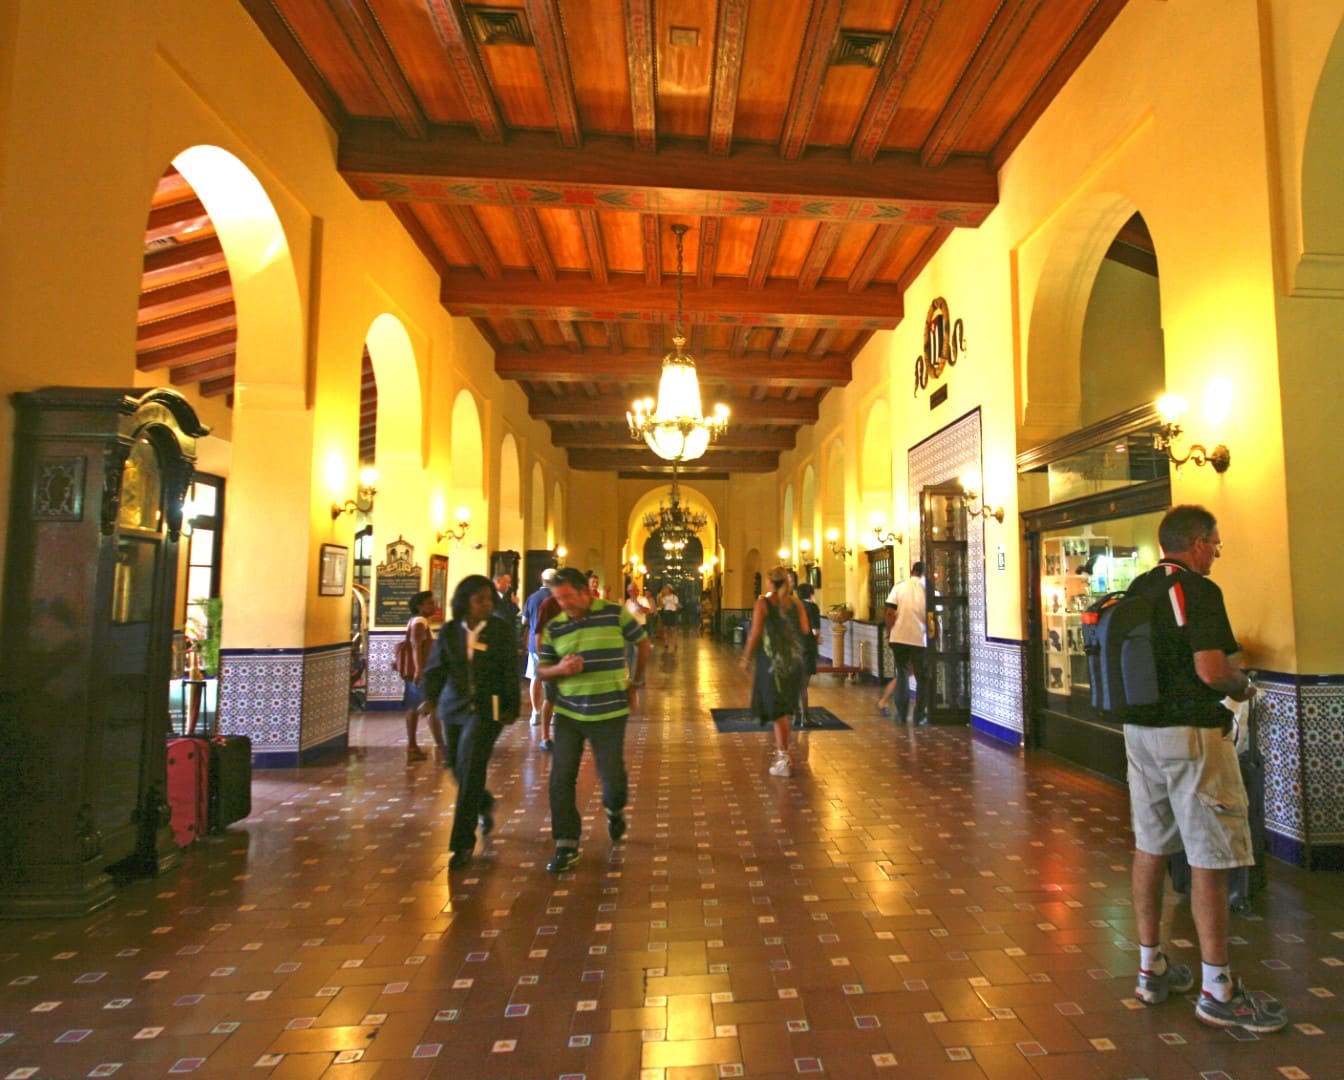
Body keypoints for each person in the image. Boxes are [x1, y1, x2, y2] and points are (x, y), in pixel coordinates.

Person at [1123, 505, 1285, 1033]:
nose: (1216, 551)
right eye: (1214, 543)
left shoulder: (1138, 590)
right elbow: (1210, 670)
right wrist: (1242, 686)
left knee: (1151, 847)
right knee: (1210, 856)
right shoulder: (1198, 590)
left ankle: (1151, 969)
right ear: (1195, 544)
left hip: (1139, 736)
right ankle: (1218, 989)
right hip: (1191, 736)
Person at [536, 568, 649, 874]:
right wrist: (560, 669)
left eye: (569, 597)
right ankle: (566, 844)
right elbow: (542, 670)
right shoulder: (555, 628)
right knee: (561, 778)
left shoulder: (614, 614)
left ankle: (614, 809)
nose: (564, 605)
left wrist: (635, 684)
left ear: (585, 591)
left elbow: (643, 643)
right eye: (559, 599)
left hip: (610, 711)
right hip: (570, 713)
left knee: (611, 776)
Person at [422, 574, 521, 871]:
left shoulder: (500, 631)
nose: (486, 606)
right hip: (454, 709)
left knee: (472, 766)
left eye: (489, 600)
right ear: (465, 601)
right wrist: (430, 698)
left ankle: (462, 843)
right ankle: (483, 802)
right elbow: (436, 669)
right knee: (457, 767)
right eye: (480, 600)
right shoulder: (451, 631)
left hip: (486, 711)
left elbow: (508, 671)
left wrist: (511, 706)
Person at [739, 566, 810, 777]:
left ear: (770, 582)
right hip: (794, 662)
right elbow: (805, 630)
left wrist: (746, 658)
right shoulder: (796, 603)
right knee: (784, 710)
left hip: (772, 664)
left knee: (778, 711)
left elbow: (755, 633)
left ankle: (783, 757)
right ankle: (782, 754)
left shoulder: (763, 603)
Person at [877, 562, 927, 724]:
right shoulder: (929, 591)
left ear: (911, 571)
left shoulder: (899, 587)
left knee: (902, 674)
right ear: (924, 574)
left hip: (899, 637)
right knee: (922, 678)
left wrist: (889, 632)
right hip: (920, 639)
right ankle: (919, 715)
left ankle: (901, 714)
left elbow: (890, 612)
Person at [401, 590, 439, 762]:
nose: (434, 606)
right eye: (430, 603)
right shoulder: (420, 622)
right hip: (421, 672)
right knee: (430, 707)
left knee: (413, 708)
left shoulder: (417, 621)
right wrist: (419, 670)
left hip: (417, 672)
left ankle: (412, 746)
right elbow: (416, 646)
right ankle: (441, 746)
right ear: (420, 606)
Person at [521, 569, 556, 728]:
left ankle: (535, 713)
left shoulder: (532, 598)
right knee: (555, 679)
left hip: (535, 645)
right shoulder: (557, 598)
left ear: (542, 580)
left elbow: (524, 621)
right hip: (555, 645)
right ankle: (554, 712)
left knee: (535, 677)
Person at [794, 582, 822, 729]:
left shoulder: (794, 607)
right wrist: (818, 637)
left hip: (794, 649)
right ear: (811, 593)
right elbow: (815, 630)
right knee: (803, 685)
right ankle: (805, 718)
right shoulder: (812, 607)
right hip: (807, 649)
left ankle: (795, 714)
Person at [623, 581, 653, 702]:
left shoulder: (643, 599)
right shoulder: (627, 602)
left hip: (640, 628)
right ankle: (631, 677)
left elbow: (647, 611)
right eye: (629, 591)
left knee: (639, 654)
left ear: (637, 590)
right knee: (628, 654)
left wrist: (637, 603)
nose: (631, 593)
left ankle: (641, 678)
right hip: (628, 630)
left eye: (633, 590)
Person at [656, 584, 681, 653]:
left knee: (674, 629)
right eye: (664, 589)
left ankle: (675, 642)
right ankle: (666, 643)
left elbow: (677, 605)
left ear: (669, 590)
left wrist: (675, 607)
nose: (664, 590)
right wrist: (660, 599)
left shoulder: (674, 597)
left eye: (666, 589)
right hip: (666, 612)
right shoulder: (663, 598)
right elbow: (662, 606)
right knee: (665, 628)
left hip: (672, 613)